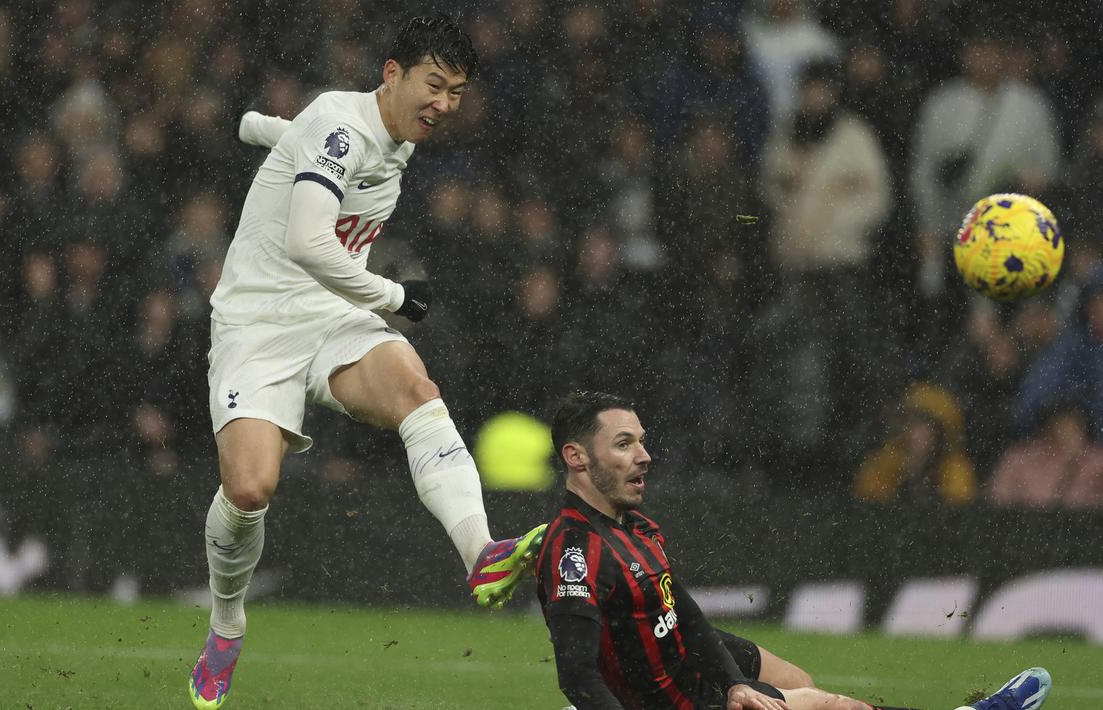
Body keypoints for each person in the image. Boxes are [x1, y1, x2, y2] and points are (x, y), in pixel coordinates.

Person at [187, 15, 546, 709]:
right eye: (434, 85)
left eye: (458, 92)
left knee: (417, 388)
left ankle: (481, 554)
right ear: (392, 74)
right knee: (251, 489)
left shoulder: (388, 135)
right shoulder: (345, 130)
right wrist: (394, 296)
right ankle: (226, 623)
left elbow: (312, 141)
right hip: (258, 325)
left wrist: (261, 128)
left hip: (330, 317)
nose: (444, 104)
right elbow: (305, 242)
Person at [537, 390, 1052, 710]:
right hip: (673, 697)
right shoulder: (575, 553)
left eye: (642, 441)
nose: (645, 456)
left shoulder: (636, 526)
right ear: (576, 457)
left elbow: (684, 614)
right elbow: (576, 673)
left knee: (796, 681)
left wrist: (736, 682)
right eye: (624, 444)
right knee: (829, 705)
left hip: (685, 670)